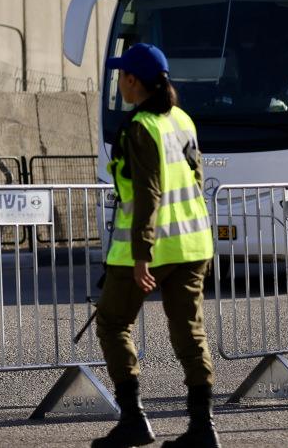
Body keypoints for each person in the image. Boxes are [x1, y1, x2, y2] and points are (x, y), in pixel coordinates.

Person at [93, 44, 218, 448]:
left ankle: (134, 419)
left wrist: (142, 255)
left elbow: (147, 193)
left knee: (113, 323)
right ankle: (202, 428)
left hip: (151, 247)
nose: (119, 82)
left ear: (133, 81)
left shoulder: (140, 126)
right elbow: (196, 178)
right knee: (190, 333)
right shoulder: (181, 119)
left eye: (122, 76)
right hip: (193, 243)